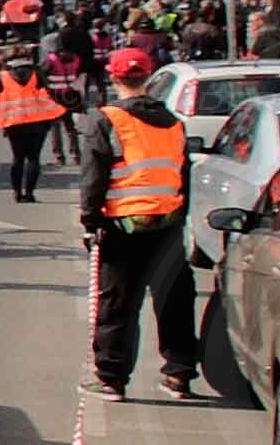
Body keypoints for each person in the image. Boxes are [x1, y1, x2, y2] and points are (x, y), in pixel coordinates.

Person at [77, 62, 196, 402]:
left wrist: (90, 222)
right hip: (167, 222)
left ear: (115, 79)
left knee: (117, 304)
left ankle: (112, 378)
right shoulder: (174, 122)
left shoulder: (106, 119)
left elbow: (94, 176)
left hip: (123, 226)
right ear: (148, 80)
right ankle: (179, 374)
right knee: (175, 299)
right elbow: (182, 174)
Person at [0, 48, 65, 204]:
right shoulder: (36, 73)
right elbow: (48, 95)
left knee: (18, 158)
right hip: (38, 122)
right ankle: (29, 194)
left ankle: (16, 193)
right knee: (34, 158)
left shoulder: (2, 76)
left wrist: (2, 122)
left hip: (13, 123)